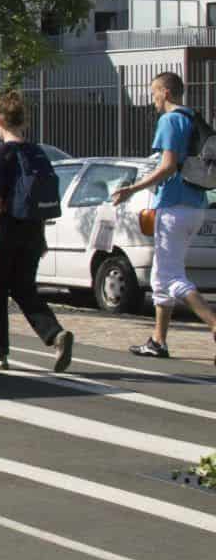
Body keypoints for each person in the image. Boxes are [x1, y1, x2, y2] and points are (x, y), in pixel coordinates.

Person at [110, 71, 216, 360]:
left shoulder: (169, 120)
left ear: (166, 92)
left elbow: (168, 166)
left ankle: (213, 322)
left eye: (154, 91)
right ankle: (158, 341)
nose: (152, 97)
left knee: (171, 276)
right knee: (161, 276)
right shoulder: (192, 117)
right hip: (195, 205)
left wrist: (133, 188)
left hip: (173, 208)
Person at [0, 92, 74, 371]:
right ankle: (55, 334)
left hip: (7, 228)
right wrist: (42, 236)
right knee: (24, 288)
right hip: (33, 229)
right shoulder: (37, 152)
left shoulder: (1, 153)